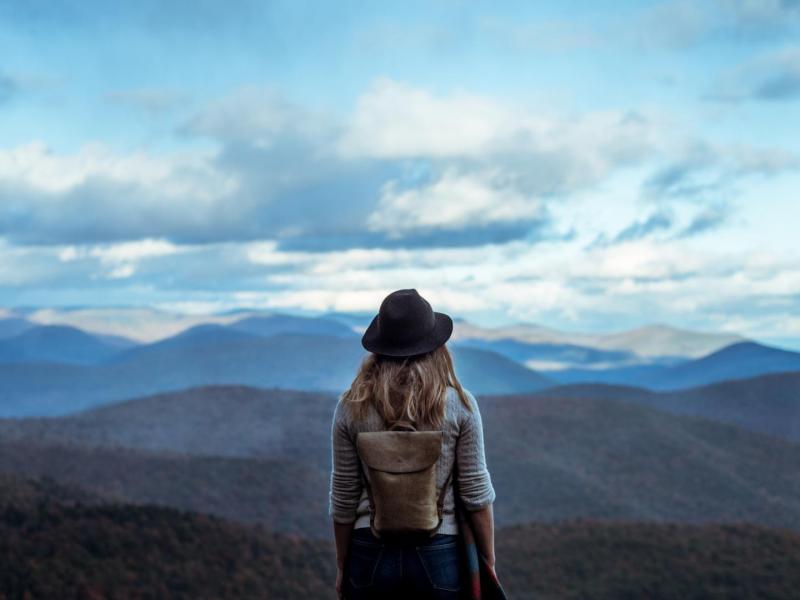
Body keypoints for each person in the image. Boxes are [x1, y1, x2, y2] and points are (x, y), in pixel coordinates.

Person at [329, 288, 497, 599]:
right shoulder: (460, 405)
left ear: (379, 348)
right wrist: (488, 560)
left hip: (369, 553)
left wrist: (343, 563)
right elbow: (476, 494)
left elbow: (343, 497)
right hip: (439, 552)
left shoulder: (351, 406)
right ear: (436, 347)